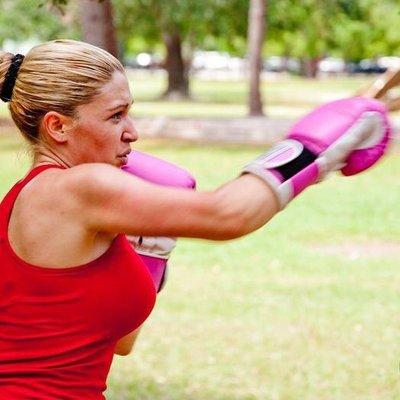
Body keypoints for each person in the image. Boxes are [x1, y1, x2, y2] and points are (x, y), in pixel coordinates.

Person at [0, 39, 391, 399]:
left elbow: (118, 342)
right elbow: (229, 214)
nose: (132, 133)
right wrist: (312, 150)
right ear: (58, 126)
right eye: (116, 116)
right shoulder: (78, 189)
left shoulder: (36, 199)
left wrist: (150, 250)